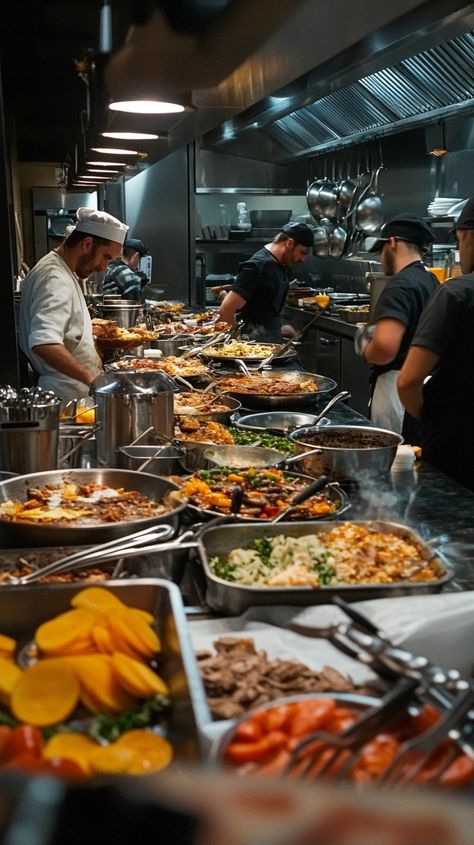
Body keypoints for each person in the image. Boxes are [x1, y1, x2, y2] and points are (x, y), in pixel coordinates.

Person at [398, 197, 474, 491]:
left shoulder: (456, 294)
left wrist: (430, 417)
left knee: (447, 525)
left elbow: (409, 381)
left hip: (456, 443)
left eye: (459, 239)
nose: (458, 250)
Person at [19, 207, 128, 402]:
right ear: (87, 244)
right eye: (106, 257)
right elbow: (44, 343)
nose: (104, 268)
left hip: (73, 394)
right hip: (66, 396)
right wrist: (93, 378)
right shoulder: (55, 278)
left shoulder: (61, 269)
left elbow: (63, 329)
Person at [354, 214, 438, 438]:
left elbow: (384, 350)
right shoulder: (431, 281)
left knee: (390, 460)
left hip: (395, 390)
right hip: (422, 387)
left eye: (381, 251)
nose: (381, 259)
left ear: (392, 243)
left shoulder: (400, 285)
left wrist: (364, 346)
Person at [218, 222, 314, 341]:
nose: (303, 259)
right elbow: (227, 308)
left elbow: (262, 312)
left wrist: (279, 329)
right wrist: (233, 346)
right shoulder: (256, 267)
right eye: (302, 252)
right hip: (252, 348)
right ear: (289, 243)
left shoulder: (281, 264)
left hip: (269, 342)